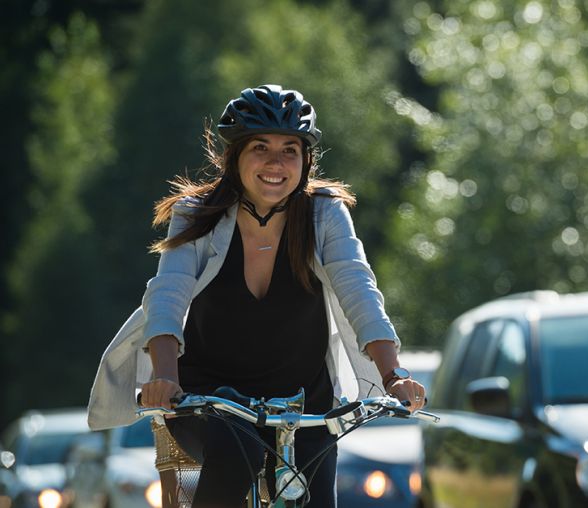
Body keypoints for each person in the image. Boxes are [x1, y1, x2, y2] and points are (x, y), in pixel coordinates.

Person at [87, 84, 426, 507]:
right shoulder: (196, 215)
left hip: (303, 405)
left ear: (307, 160)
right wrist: (165, 376)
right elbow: (168, 293)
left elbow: (358, 287)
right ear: (234, 158)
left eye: (290, 150)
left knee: (316, 497)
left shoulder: (324, 213)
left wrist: (393, 375)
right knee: (237, 450)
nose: (275, 163)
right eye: (260, 148)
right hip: (210, 401)